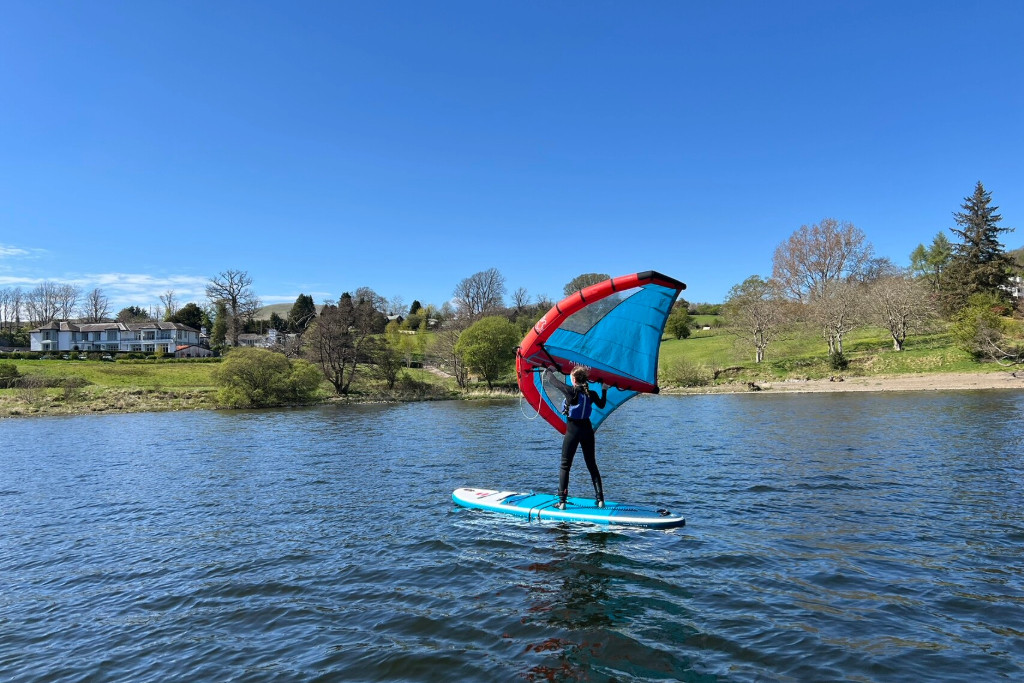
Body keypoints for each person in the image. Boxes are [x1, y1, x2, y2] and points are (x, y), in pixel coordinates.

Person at [544, 365, 608, 509]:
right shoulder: (591, 394)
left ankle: (562, 502)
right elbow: (603, 405)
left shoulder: (570, 391)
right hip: (587, 431)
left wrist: (550, 369)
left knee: (565, 465)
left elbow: (551, 380)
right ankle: (600, 500)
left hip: (573, 431)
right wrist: (604, 389)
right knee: (592, 464)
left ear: (573, 379)